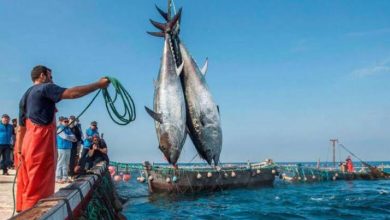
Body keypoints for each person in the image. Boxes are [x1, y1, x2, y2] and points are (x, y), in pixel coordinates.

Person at [15, 65, 110, 211]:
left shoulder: (25, 95)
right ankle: (34, 213)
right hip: (40, 142)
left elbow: (21, 128)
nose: (52, 80)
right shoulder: (45, 88)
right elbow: (72, 93)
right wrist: (98, 85)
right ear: (42, 75)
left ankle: (23, 210)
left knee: (27, 181)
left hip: (27, 142)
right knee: (38, 182)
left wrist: (20, 151)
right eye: (51, 76)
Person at [56, 117, 77, 183]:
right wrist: (71, 138)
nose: (67, 123)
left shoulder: (68, 129)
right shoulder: (60, 128)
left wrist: (70, 138)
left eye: (67, 121)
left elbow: (74, 137)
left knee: (66, 163)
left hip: (68, 148)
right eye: (65, 121)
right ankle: (58, 177)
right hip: (62, 148)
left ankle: (65, 177)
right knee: (60, 162)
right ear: (61, 122)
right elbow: (65, 137)